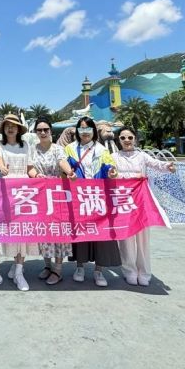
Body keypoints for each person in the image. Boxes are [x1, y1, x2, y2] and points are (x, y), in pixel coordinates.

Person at [60, 116, 121, 287]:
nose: (85, 132)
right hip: (78, 197)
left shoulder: (102, 150)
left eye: (88, 128)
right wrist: (68, 173)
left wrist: (112, 172)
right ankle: (79, 267)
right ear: (77, 131)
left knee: (101, 232)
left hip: (98, 196)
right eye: (81, 128)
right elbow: (63, 166)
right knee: (80, 231)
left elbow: (110, 167)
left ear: (94, 131)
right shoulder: (70, 148)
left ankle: (99, 270)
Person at [112, 125, 176, 286]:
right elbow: (111, 175)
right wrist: (132, 176)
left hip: (141, 201)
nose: (127, 140)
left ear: (135, 139)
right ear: (118, 140)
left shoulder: (142, 156)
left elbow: (156, 164)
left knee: (143, 239)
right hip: (123, 202)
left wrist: (167, 166)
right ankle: (130, 271)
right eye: (123, 138)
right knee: (126, 239)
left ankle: (144, 272)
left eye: (130, 137)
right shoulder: (114, 157)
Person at [0, 113, 38, 291]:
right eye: (7, 126)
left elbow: (30, 168)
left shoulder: (25, 145)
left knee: (23, 231)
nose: (11, 128)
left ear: (19, 129)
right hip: (8, 191)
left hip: (24, 192)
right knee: (13, 231)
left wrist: (37, 176)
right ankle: (16, 264)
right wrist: (2, 168)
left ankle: (19, 270)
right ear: (3, 129)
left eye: (14, 125)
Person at [31, 116, 70, 286]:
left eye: (45, 129)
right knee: (43, 231)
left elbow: (62, 162)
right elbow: (30, 168)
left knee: (59, 231)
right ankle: (47, 265)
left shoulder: (57, 149)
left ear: (50, 131)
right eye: (39, 130)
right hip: (40, 194)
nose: (43, 132)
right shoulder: (33, 149)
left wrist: (69, 172)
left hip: (56, 194)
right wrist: (35, 175)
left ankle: (58, 270)